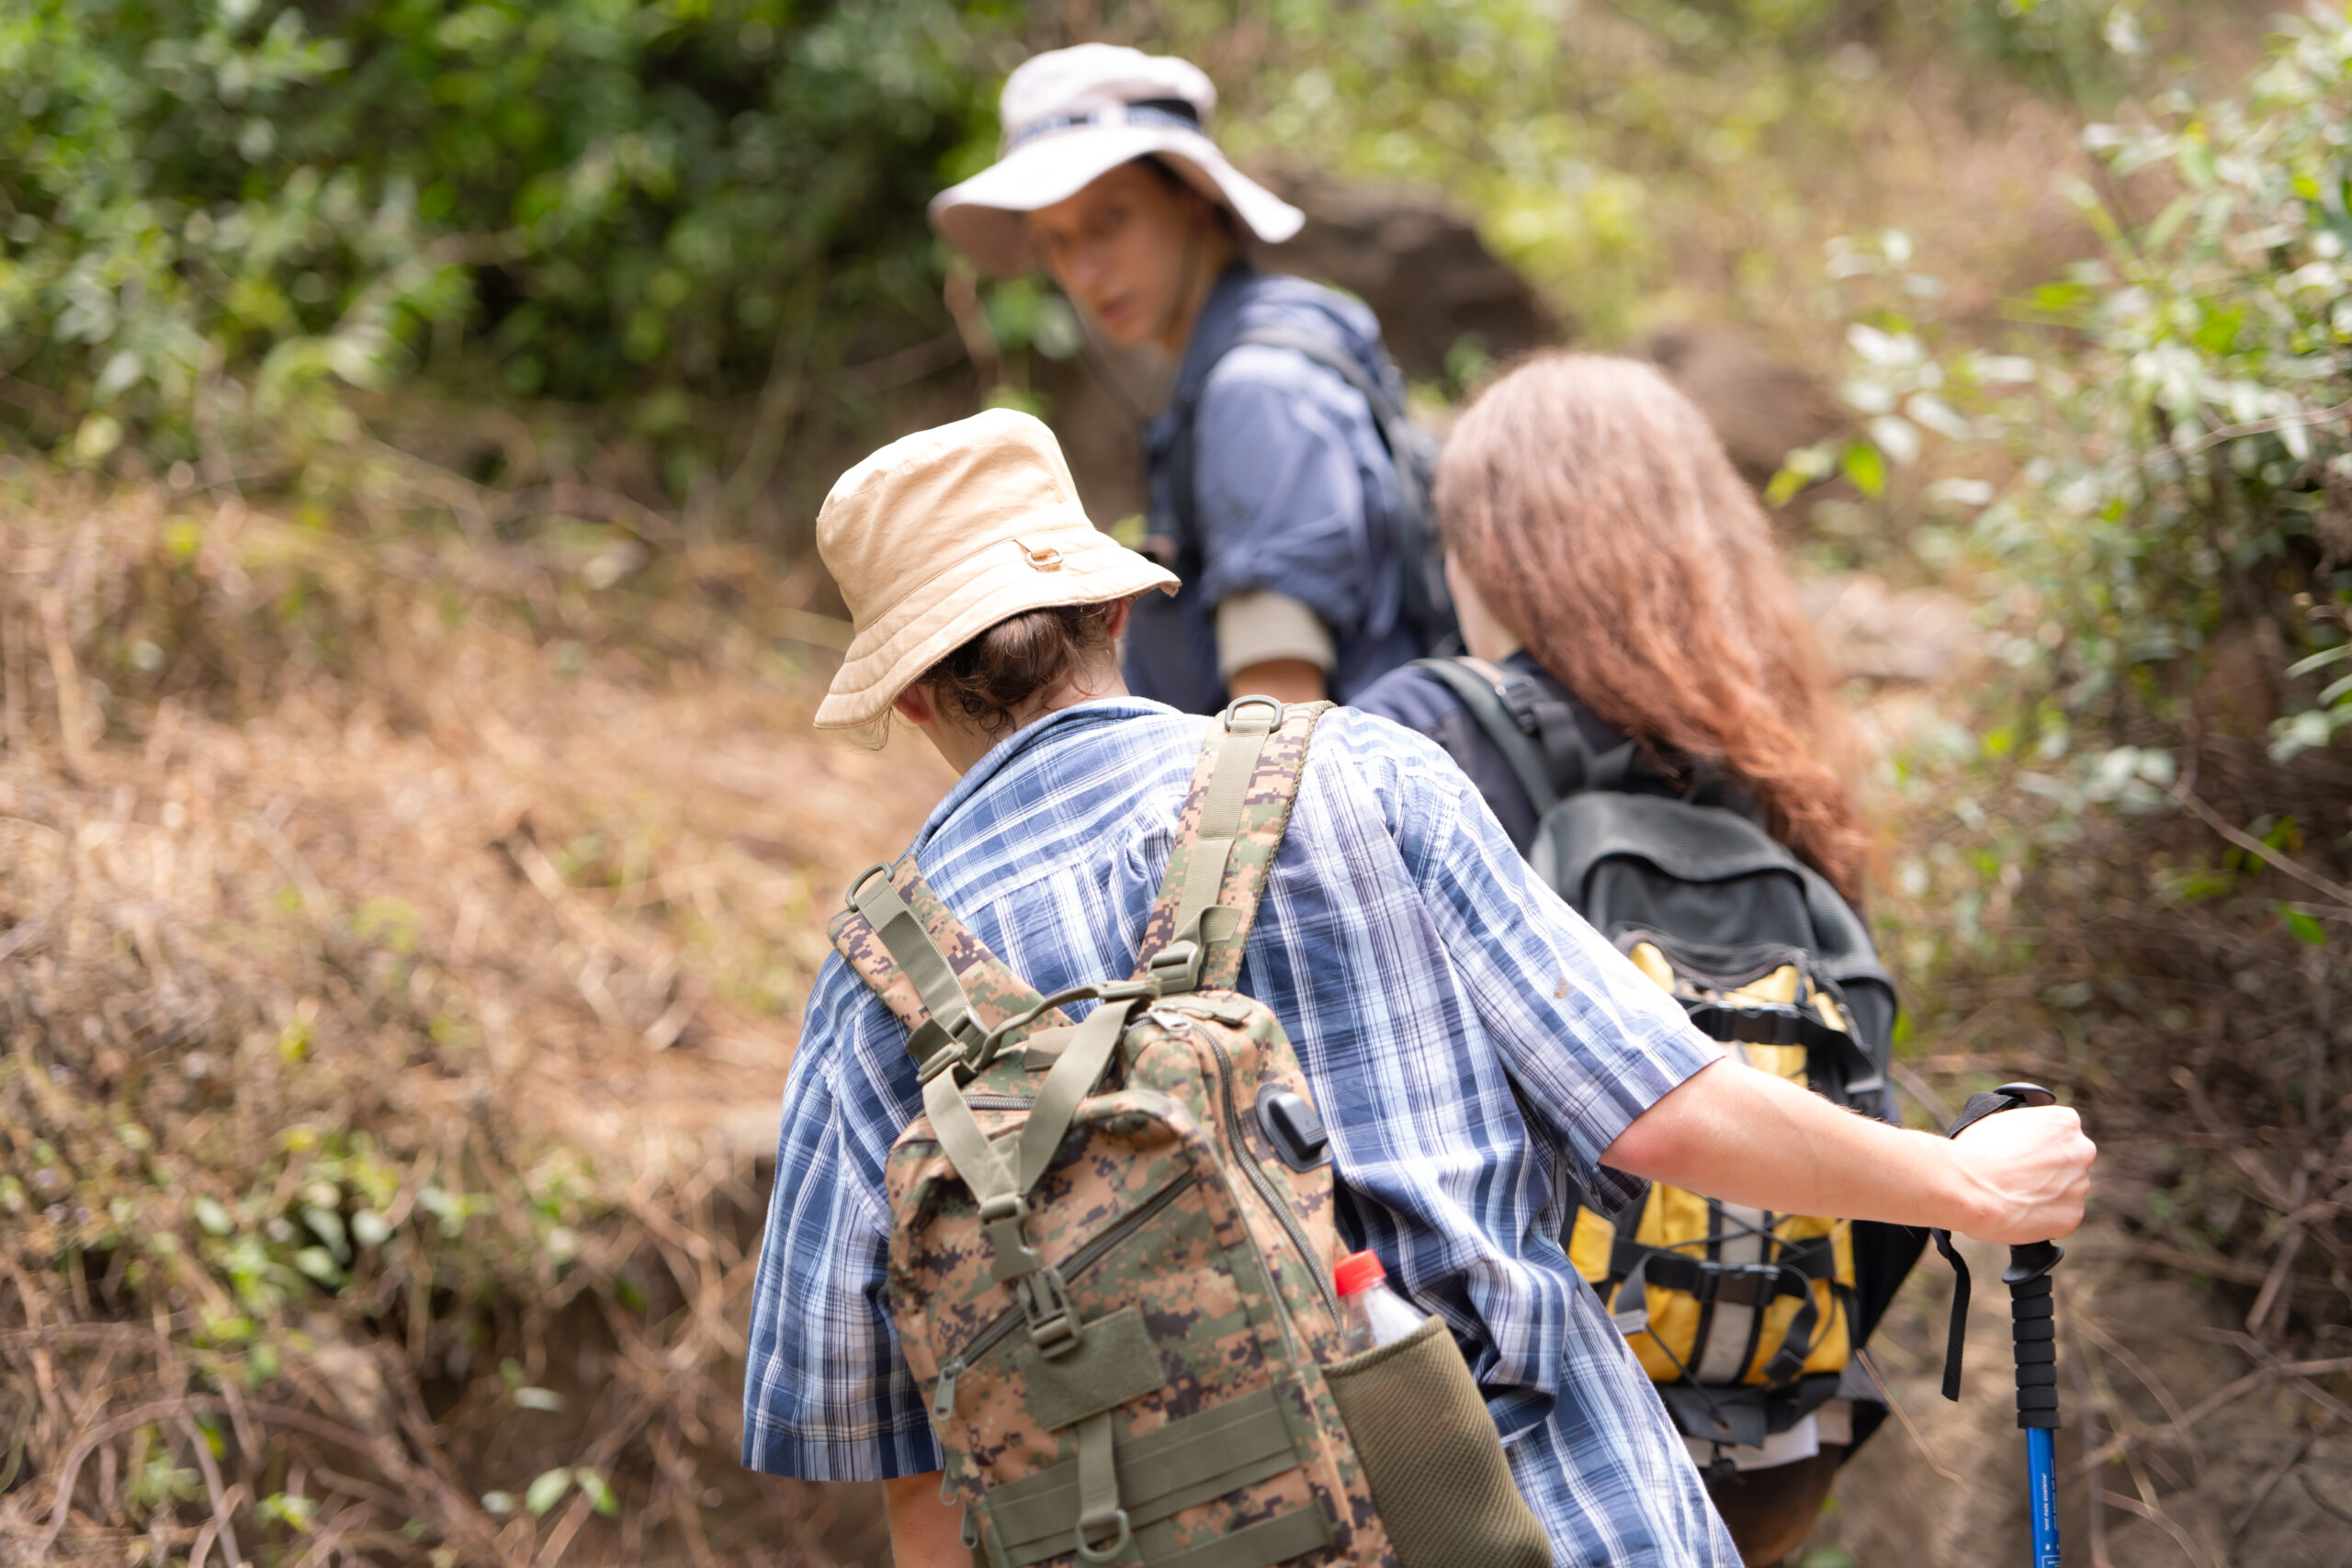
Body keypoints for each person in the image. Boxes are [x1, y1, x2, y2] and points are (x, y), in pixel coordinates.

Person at [740, 408, 2096, 1567]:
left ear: (910, 698)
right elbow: (1659, 1109)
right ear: (1113, 605)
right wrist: (1967, 1181)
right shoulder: (1354, 775)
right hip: (1553, 1510)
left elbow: (909, 1461)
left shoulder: (871, 984)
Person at [1351, 353, 1912, 1561]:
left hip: (1516, 1418)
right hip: (1774, 1418)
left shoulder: (1418, 736)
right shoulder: (1776, 757)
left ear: (1495, 545)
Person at [929, 42, 1442, 715]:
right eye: (1053, 239)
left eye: (1110, 219)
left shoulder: (1256, 392)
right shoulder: (1262, 351)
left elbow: (1278, 725)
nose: (1082, 271)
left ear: (1193, 200)